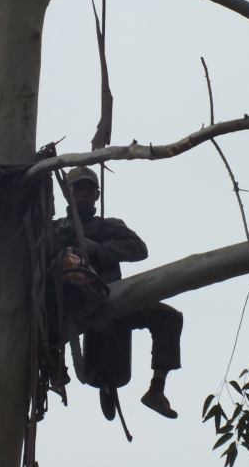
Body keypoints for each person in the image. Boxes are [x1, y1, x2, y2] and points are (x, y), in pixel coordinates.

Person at [53, 166, 183, 420]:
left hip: (113, 297)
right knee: (41, 323)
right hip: (71, 305)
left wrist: (99, 249)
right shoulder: (55, 230)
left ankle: (157, 389)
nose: (83, 193)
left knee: (169, 317)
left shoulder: (108, 226)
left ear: (97, 195)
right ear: (68, 193)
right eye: (78, 188)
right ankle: (55, 370)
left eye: (88, 189)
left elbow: (139, 249)